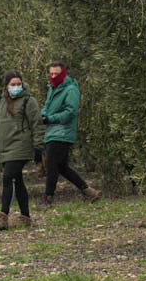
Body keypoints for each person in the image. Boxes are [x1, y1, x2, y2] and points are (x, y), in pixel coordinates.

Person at [0, 70, 44, 230]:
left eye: (19, 84)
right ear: (6, 86)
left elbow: (37, 125)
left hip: (21, 146)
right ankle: (25, 217)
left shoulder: (29, 101)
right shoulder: (1, 104)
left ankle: (2, 217)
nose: (16, 87)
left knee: (8, 177)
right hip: (6, 148)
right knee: (18, 180)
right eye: (13, 84)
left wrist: (38, 148)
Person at [37, 61, 101, 207]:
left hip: (63, 132)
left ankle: (48, 198)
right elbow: (46, 106)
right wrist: (43, 114)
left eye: (56, 73)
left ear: (63, 73)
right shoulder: (52, 88)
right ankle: (89, 191)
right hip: (52, 131)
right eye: (51, 73)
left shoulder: (71, 89)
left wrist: (51, 118)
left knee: (52, 165)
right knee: (62, 167)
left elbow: (70, 112)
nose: (53, 76)